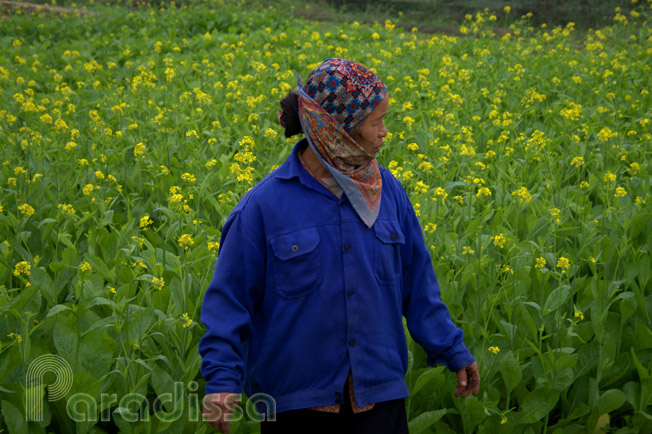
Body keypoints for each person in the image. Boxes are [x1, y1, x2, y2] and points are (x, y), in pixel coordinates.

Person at [199, 58, 480, 434]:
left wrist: (452, 349)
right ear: (338, 129)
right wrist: (221, 380)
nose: (384, 133)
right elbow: (230, 302)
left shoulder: (389, 193)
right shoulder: (263, 207)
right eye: (376, 122)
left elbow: (418, 286)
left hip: (380, 398)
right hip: (299, 405)